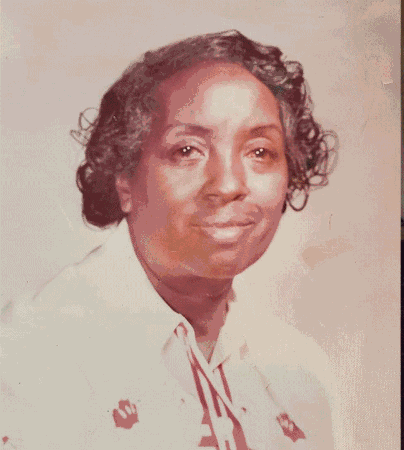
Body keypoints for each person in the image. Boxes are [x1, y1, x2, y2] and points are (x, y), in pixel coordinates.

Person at [1, 30, 336, 449]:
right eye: (187, 150)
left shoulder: (301, 370)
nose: (229, 184)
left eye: (259, 152)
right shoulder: (30, 355)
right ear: (124, 180)